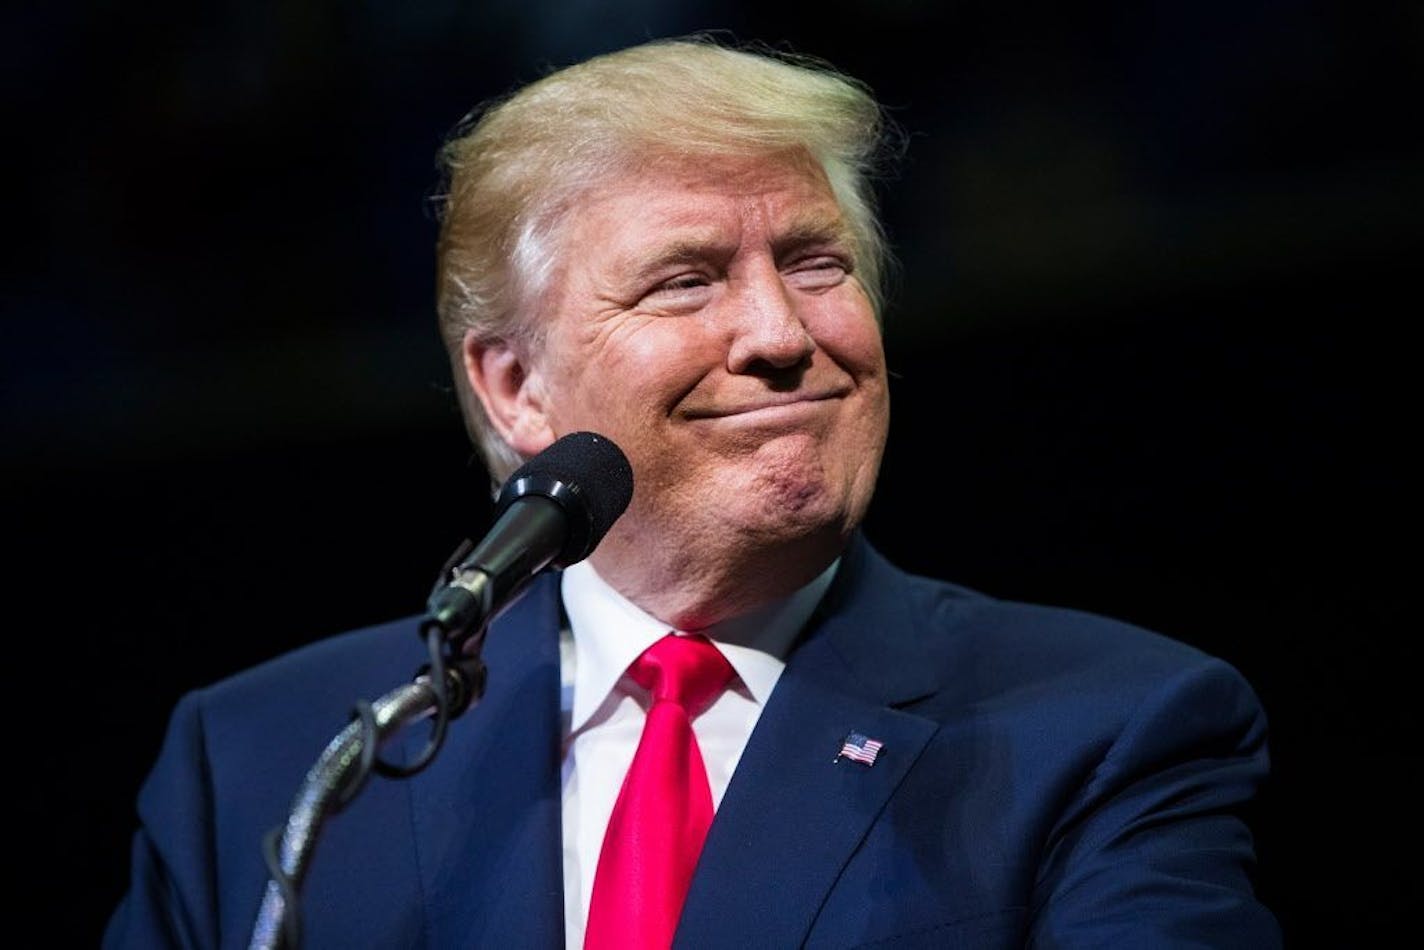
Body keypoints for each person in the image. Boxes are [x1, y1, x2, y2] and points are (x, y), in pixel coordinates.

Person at [104, 35, 1281, 949]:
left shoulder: (1105, 728)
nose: (778, 332)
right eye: (683, 280)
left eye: (815, 263)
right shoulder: (270, 764)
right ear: (515, 386)